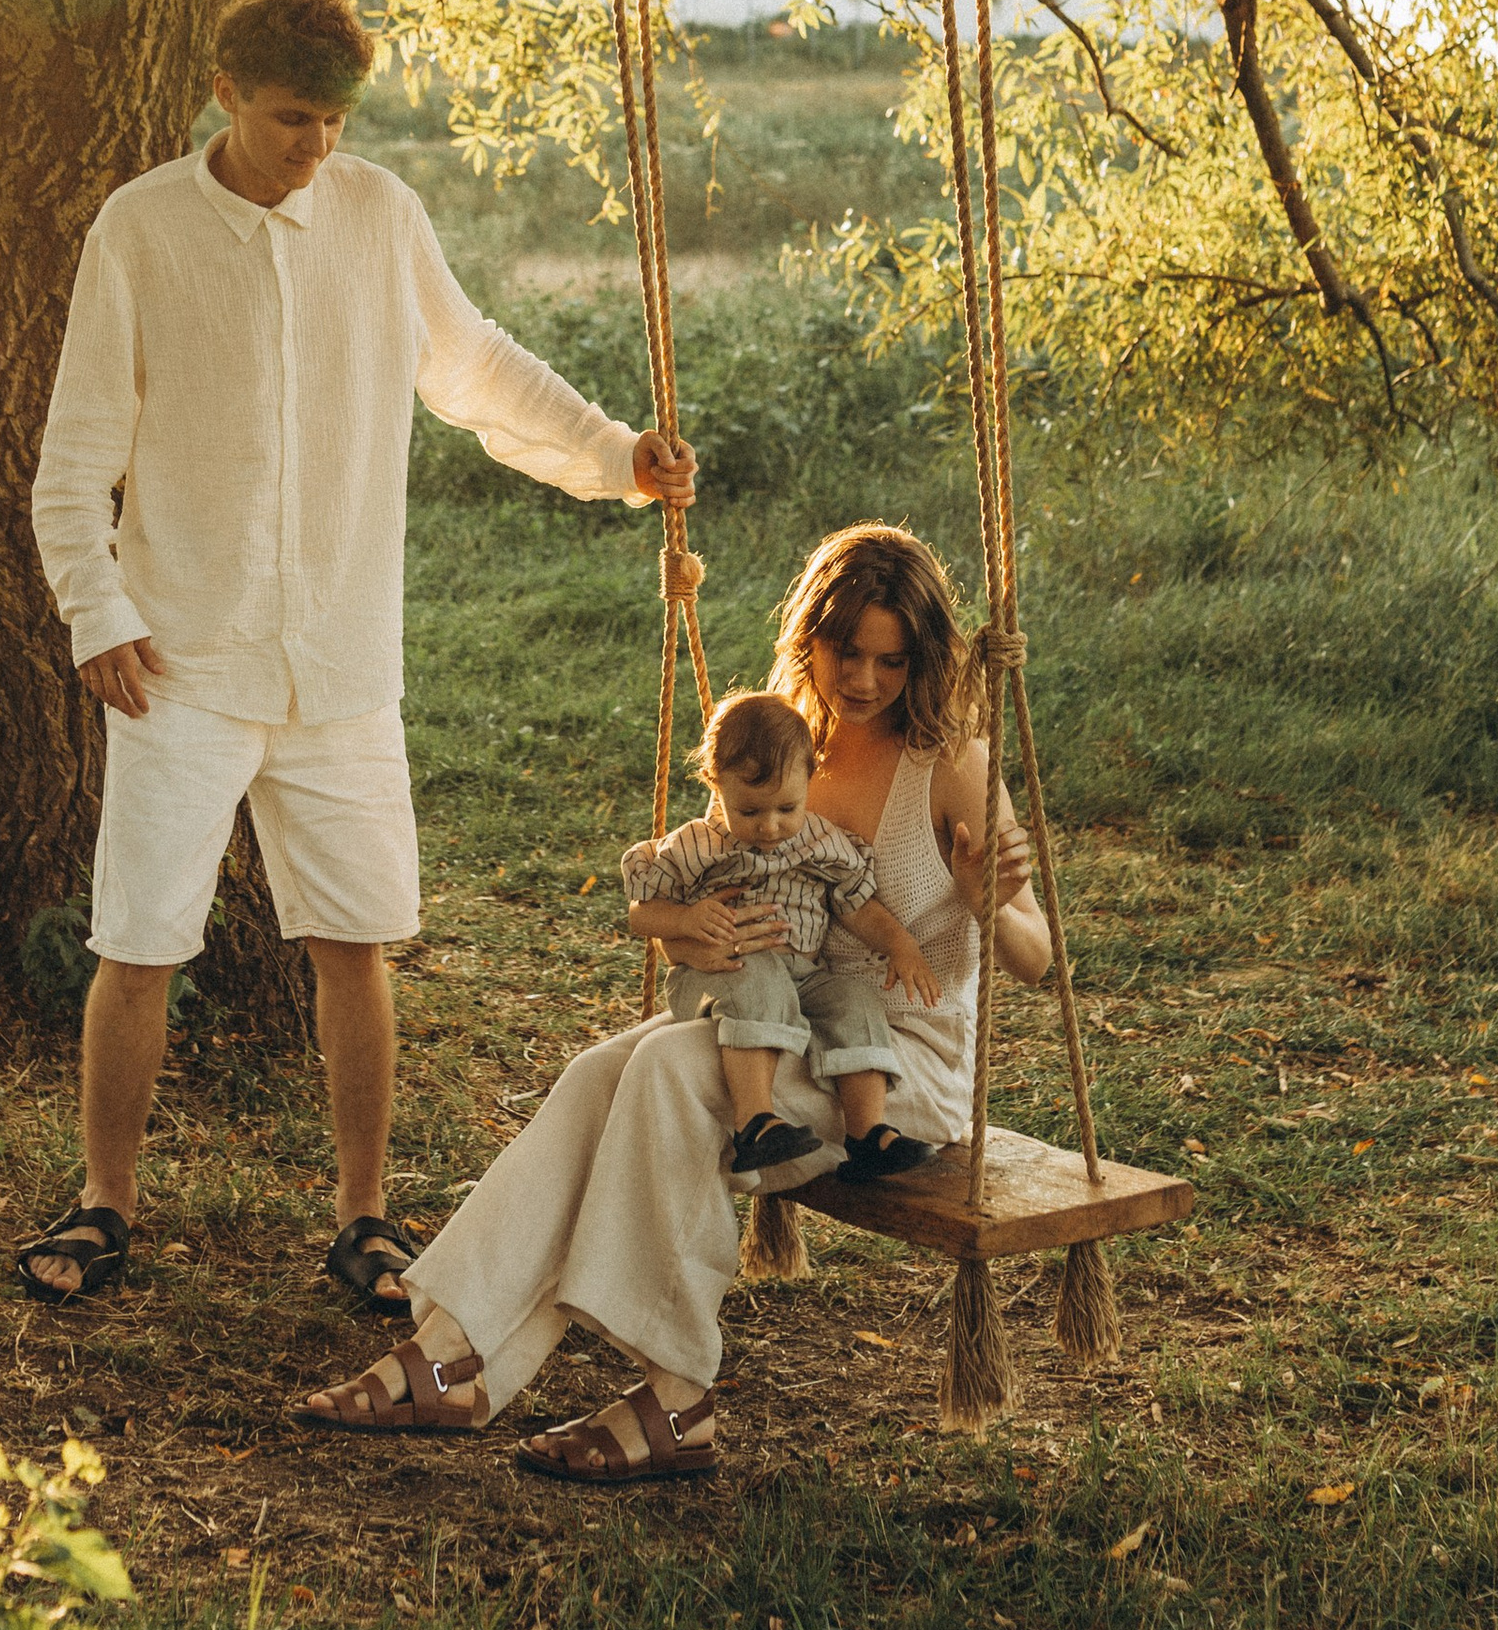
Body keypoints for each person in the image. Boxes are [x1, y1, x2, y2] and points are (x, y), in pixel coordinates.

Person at [16, 0, 697, 1316]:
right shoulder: (141, 230)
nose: (316, 146)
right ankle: (104, 1207)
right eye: (288, 120)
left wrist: (618, 458)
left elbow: (477, 370)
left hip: (338, 662)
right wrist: (97, 611)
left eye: (333, 121)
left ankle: (366, 1217)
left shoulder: (382, 218)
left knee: (357, 941)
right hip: (180, 662)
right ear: (223, 92)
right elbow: (71, 458)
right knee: (140, 941)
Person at [301, 523, 1049, 1478]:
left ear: (923, 659)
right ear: (810, 635)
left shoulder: (949, 763)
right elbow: (696, 883)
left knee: (661, 1070)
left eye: (891, 661)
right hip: (767, 1020)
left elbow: (1038, 957)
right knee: (595, 1073)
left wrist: (992, 905)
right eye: (845, 651)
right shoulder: (784, 737)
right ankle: (454, 1354)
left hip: (893, 1062)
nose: (863, 679)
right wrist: (691, 929)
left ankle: (676, 1396)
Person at [623, 686, 939, 1186]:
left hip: (804, 976)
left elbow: (857, 906)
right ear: (715, 782)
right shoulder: (695, 846)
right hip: (718, 974)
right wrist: (684, 921)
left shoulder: (822, 843)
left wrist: (900, 944)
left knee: (854, 998)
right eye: (749, 812)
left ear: (811, 778)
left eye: (786, 808)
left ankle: (868, 1134)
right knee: (760, 975)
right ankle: (756, 1123)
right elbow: (642, 912)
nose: (769, 827)